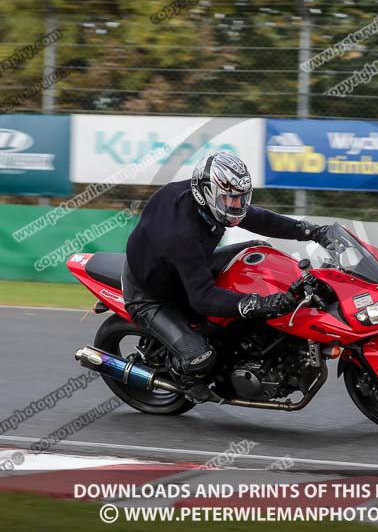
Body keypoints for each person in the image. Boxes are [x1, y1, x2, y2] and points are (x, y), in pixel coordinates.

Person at [122, 151, 330, 403]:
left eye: (240, 199)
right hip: (152, 294)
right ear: (206, 193)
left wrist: (311, 231)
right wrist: (259, 303)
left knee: (257, 249)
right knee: (201, 358)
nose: (236, 206)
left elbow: (259, 219)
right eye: (229, 199)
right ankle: (183, 375)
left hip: (186, 266)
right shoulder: (181, 235)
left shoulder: (210, 202)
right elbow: (202, 298)